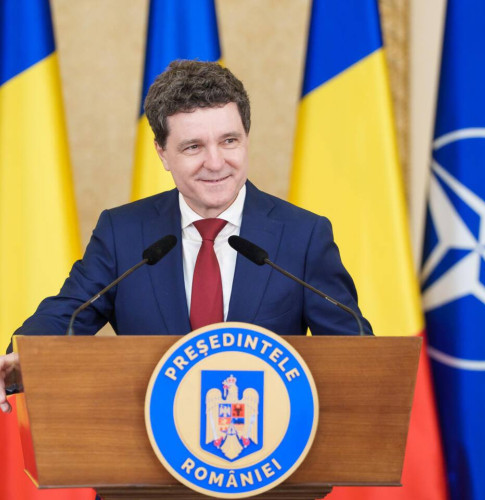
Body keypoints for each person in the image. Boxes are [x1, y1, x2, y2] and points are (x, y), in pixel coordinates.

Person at [0, 60, 372, 413]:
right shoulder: (123, 233)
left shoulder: (302, 236)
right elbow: (67, 314)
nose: (216, 162)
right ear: (162, 153)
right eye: (194, 146)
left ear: (247, 138)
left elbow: (356, 354)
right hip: (149, 446)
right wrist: (22, 356)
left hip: (269, 448)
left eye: (229, 141)